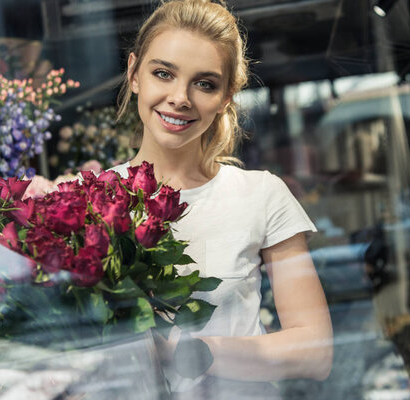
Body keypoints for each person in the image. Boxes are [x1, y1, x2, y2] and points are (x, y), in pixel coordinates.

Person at [111, 0, 333, 397]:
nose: (180, 97)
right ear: (134, 75)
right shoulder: (88, 200)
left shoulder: (260, 195)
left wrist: (193, 353)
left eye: (205, 83)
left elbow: (315, 351)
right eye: (163, 73)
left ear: (227, 97)